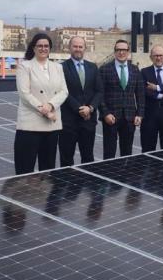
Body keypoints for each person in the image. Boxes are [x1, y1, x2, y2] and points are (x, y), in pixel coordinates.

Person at [14, 33, 67, 174]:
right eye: (40, 46)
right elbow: (24, 94)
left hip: (52, 126)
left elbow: (64, 91)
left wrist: (50, 105)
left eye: (46, 46)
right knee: (24, 171)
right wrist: (44, 110)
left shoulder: (58, 67)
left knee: (48, 171)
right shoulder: (24, 67)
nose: (43, 48)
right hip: (30, 126)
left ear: (50, 48)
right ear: (33, 48)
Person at [59, 36, 102, 166]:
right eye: (75, 46)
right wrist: (79, 109)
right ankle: (66, 185)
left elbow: (99, 91)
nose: (78, 49)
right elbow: (62, 91)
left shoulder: (93, 67)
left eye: (80, 47)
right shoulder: (61, 68)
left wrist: (90, 108)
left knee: (88, 158)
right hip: (68, 122)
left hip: (88, 121)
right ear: (69, 48)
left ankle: (88, 185)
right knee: (66, 158)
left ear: (85, 48)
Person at [98, 39, 143, 159]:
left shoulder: (135, 69)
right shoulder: (104, 69)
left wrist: (140, 114)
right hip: (110, 118)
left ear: (128, 52)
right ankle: (108, 176)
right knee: (109, 152)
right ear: (114, 52)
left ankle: (125, 177)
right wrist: (105, 113)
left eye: (124, 50)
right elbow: (99, 95)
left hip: (129, 118)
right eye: (118, 50)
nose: (121, 52)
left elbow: (140, 94)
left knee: (127, 152)